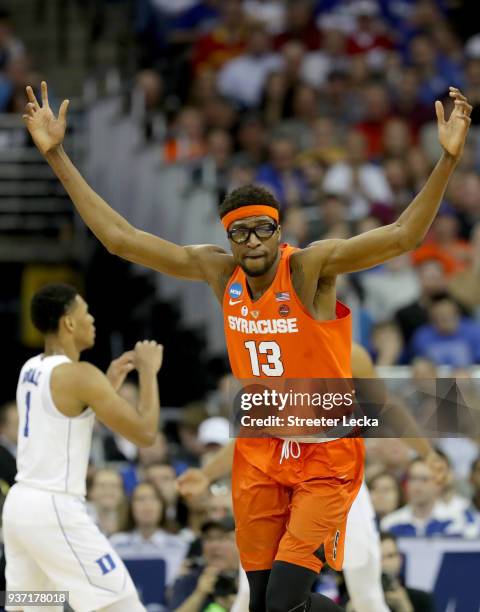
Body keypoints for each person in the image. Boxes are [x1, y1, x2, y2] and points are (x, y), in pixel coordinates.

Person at [22, 81, 471, 612]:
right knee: (260, 605)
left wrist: (445, 161)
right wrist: (55, 155)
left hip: (324, 451)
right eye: (241, 234)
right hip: (259, 450)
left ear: (279, 232)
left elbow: (401, 236)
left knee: (284, 601)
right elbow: (121, 238)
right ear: (229, 238)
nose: (253, 242)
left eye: (263, 230)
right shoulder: (220, 271)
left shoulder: (308, 269)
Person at [177, 343, 445, 612]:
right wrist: (206, 473)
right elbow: (251, 437)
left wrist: (427, 453)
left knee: (366, 593)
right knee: (257, 598)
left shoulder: (346, 352)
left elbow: (386, 408)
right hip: (279, 480)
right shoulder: (267, 354)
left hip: (335, 482)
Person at [1, 283, 163, 612]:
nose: (92, 320)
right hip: (54, 508)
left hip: (19, 508)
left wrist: (107, 384)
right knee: (124, 603)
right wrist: (149, 372)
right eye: (85, 313)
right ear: (69, 323)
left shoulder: (31, 367)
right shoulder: (79, 375)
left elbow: (67, 415)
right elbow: (146, 434)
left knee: (32, 605)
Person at [380, 532, 435, 612]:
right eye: (379, 557)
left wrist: (404, 608)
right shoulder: (358, 600)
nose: (385, 563)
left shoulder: (421, 600)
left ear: (400, 559)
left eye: (390, 556)